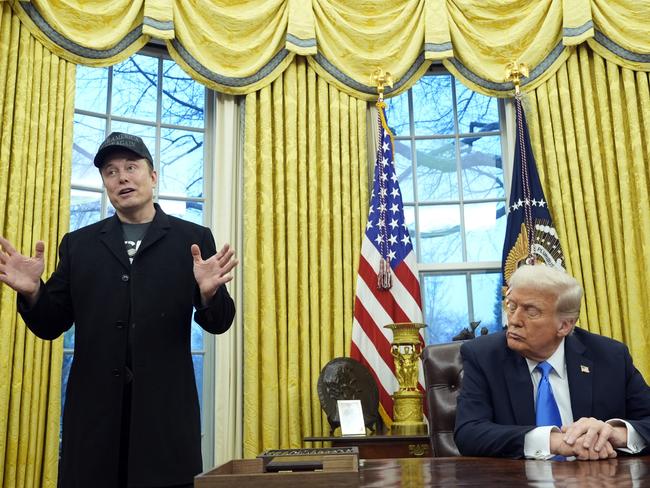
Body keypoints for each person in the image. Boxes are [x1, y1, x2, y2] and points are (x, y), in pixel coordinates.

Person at [0, 132, 238, 488]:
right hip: (93, 426)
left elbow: (220, 322)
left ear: (153, 176)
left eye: (131, 167)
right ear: (105, 184)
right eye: (111, 172)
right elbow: (52, 323)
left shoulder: (192, 239)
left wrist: (207, 295)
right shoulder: (79, 245)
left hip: (165, 425)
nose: (122, 177)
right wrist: (34, 292)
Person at [455, 264, 650, 460]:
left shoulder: (610, 357)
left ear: (564, 326)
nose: (514, 320)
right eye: (511, 306)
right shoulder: (483, 356)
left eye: (531, 312)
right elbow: (469, 433)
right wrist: (555, 442)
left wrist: (614, 434)